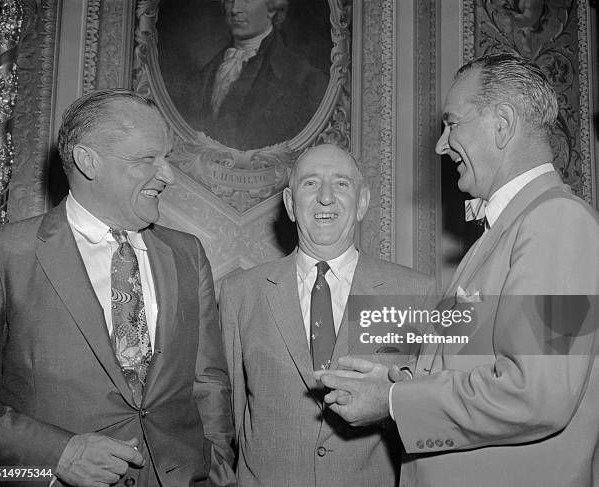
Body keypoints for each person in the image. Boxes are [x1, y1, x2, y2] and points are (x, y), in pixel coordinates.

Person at [316, 53, 599, 486]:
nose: (440, 144)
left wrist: (393, 401)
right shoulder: (500, 233)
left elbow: (536, 393)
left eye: (452, 123)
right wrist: (398, 380)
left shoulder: (558, 221)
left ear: (501, 125)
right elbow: (475, 366)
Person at [0, 90, 235, 487]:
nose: (168, 175)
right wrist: (57, 454)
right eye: (146, 160)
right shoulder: (3, 254)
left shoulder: (186, 253)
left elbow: (208, 383)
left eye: (166, 158)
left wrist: (218, 469)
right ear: (88, 162)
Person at [219, 143, 436, 486]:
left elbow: (429, 405)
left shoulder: (415, 292)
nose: (325, 198)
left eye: (341, 184)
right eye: (310, 183)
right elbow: (227, 413)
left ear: (362, 202)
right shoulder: (240, 293)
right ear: (290, 204)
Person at [181, 0, 328, 150]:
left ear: (272, 8)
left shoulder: (305, 79)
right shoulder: (201, 79)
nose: (235, 9)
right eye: (229, 0)